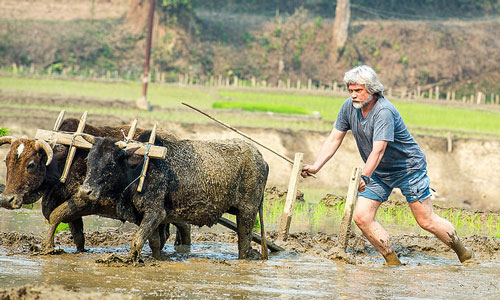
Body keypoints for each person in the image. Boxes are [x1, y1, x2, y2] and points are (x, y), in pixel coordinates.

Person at [301, 65, 474, 266]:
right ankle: (392, 262)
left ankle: (464, 254)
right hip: (379, 171)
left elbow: (379, 150)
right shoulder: (348, 108)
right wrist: (316, 166)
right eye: (351, 91)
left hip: (408, 168)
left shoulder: (383, 111)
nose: (354, 95)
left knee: (425, 221)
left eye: (359, 90)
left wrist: (364, 176)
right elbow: (334, 138)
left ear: (372, 89)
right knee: (362, 217)